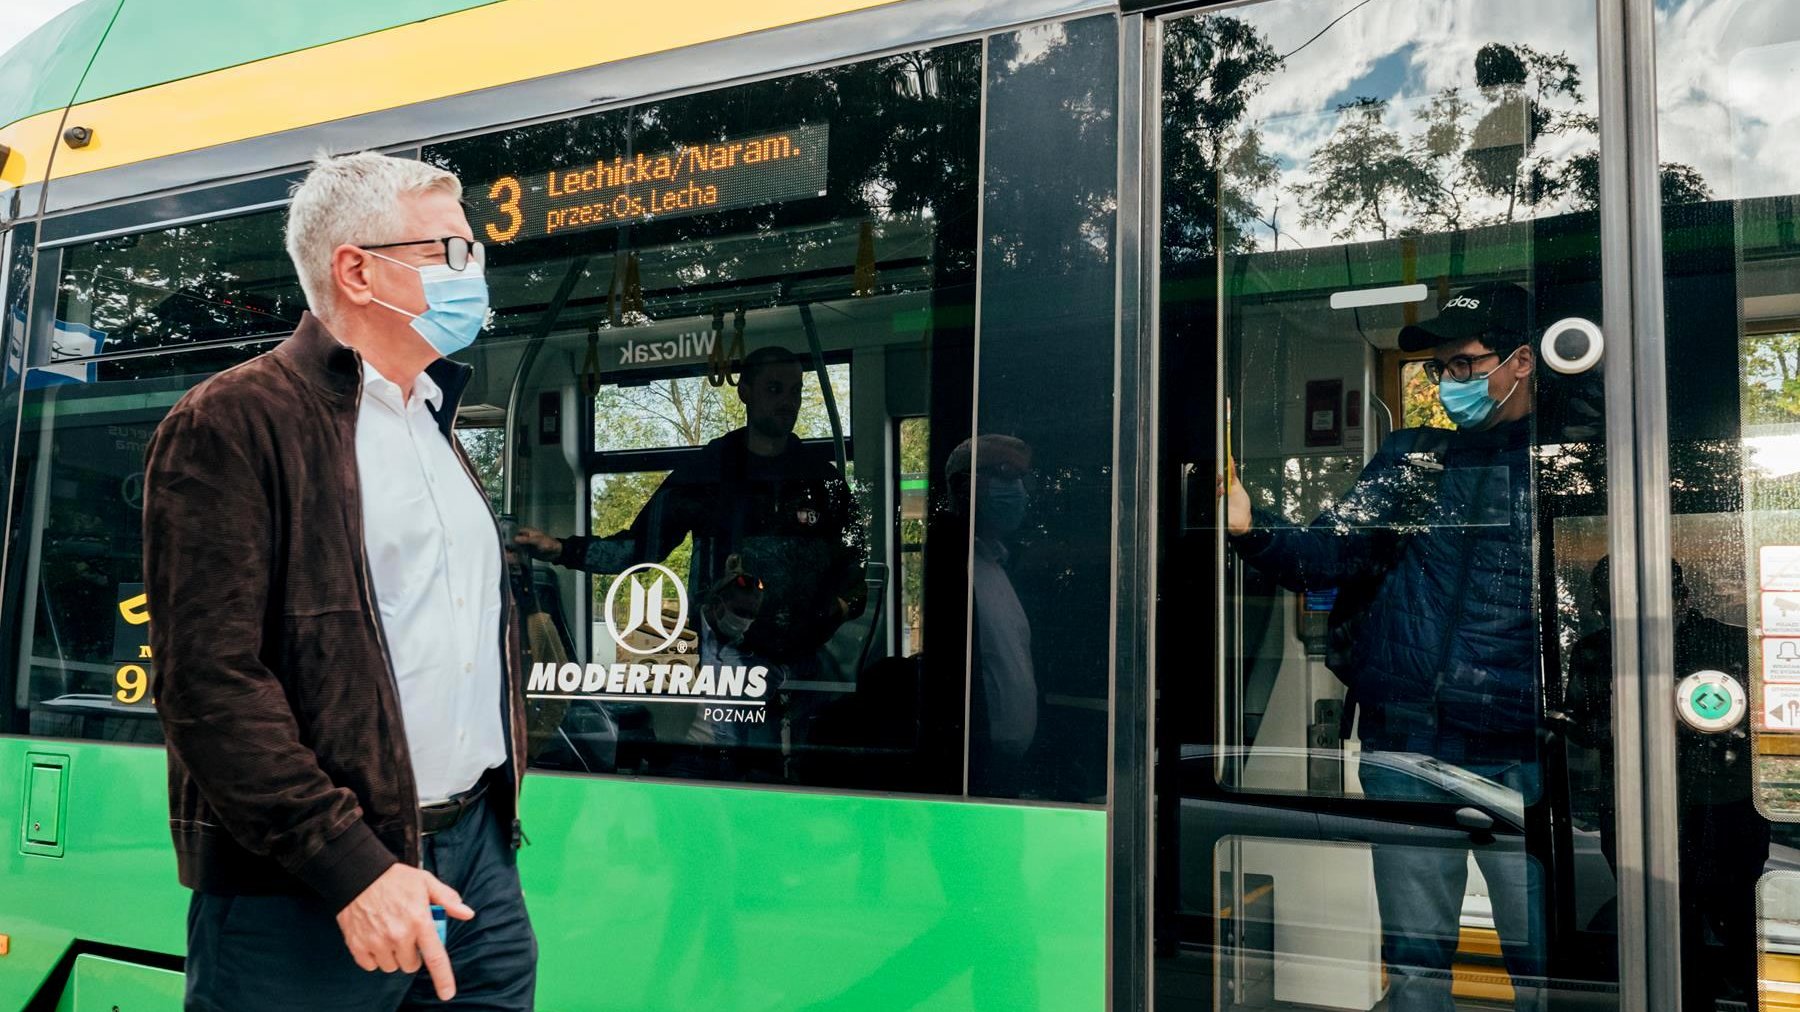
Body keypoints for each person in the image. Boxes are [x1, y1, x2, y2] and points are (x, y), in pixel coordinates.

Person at [143, 152, 535, 1011]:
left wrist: (489, 841)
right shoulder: (231, 421)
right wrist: (352, 868)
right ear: (357, 271)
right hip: (311, 892)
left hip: (475, 864)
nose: (477, 276)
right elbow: (210, 684)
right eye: (453, 254)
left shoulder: (435, 417)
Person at [1221, 281, 1544, 1011]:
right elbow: (1331, 552)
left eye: (1464, 366)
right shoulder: (1413, 461)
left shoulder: (1566, 467)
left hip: (1517, 751)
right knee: (1416, 964)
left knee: (1542, 966)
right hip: (1405, 748)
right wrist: (1252, 530)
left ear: (1522, 360)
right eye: (1440, 371)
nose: (1449, 385)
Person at [515, 346, 866, 779]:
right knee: (738, 776)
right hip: (733, 663)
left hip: (809, 667)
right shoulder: (707, 472)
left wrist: (834, 610)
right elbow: (639, 549)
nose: (787, 402)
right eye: (775, 389)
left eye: (795, 391)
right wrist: (560, 550)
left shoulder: (822, 479)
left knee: (810, 778)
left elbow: (856, 571)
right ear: (746, 392)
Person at [946, 434, 1039, 797]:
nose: (1018, 489)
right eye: (1004, 473)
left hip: (1006, 774)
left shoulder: (997, 566)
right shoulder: (956, 568)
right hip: (974, 772)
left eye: (1022, 478)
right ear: (965, 486)